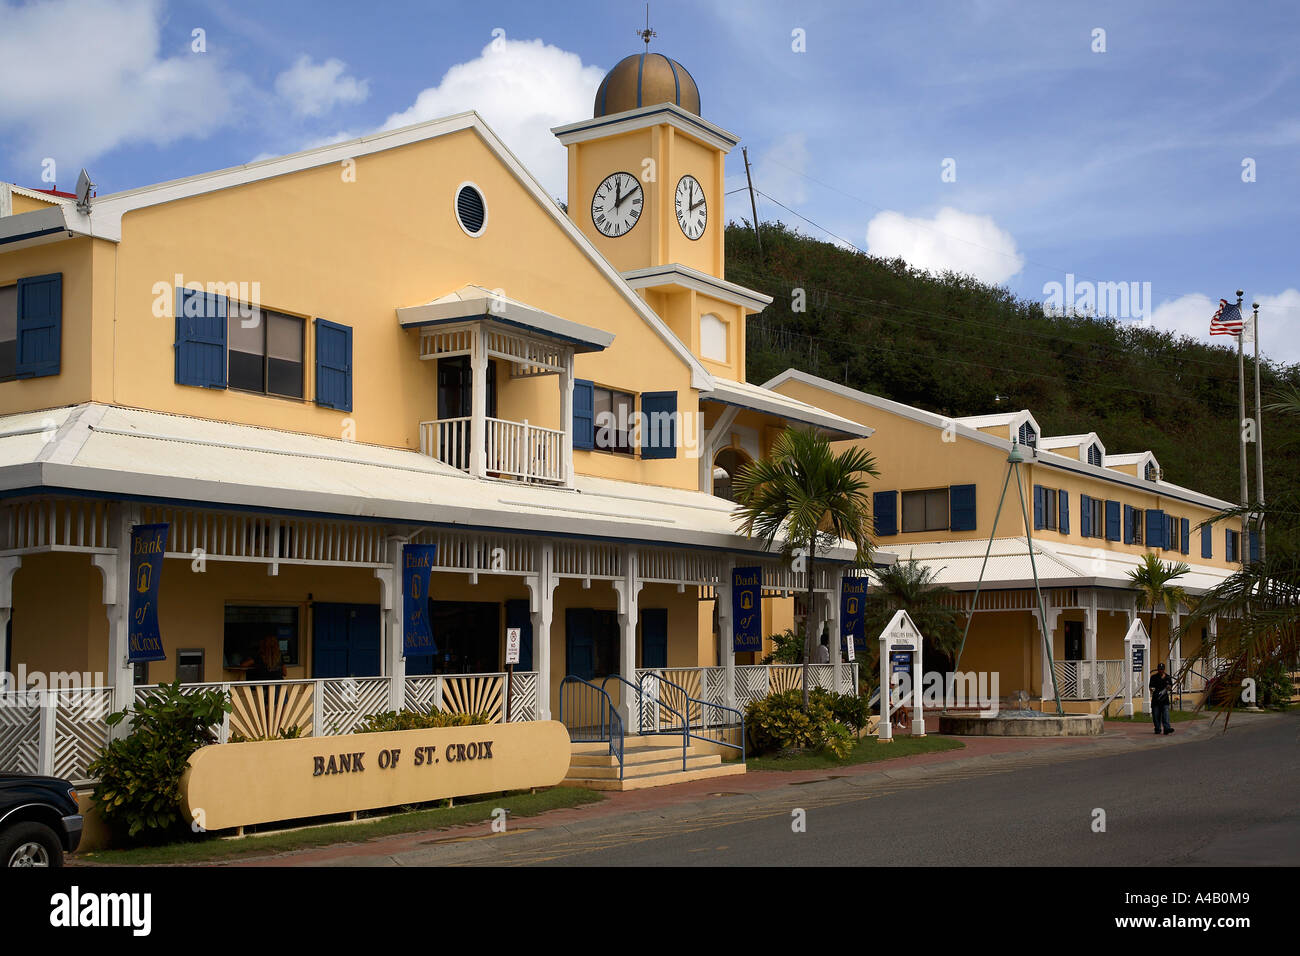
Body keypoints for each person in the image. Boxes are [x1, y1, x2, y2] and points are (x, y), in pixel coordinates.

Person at [1149, 662, 1175, 735]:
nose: (1161, 670)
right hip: (1156, 700)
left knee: (1166, 715)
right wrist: (1152, 689)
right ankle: (1157, 728)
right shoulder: (1153, 677)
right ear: (1157, 669)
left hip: (1165, 700)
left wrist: (1169, 687)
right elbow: (1151, 687)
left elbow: (1170, 687)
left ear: (1164, 669)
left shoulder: (1168, 677)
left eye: (1162, 669)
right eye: (1160, 669)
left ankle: (1167, 728)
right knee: (1156, 716)